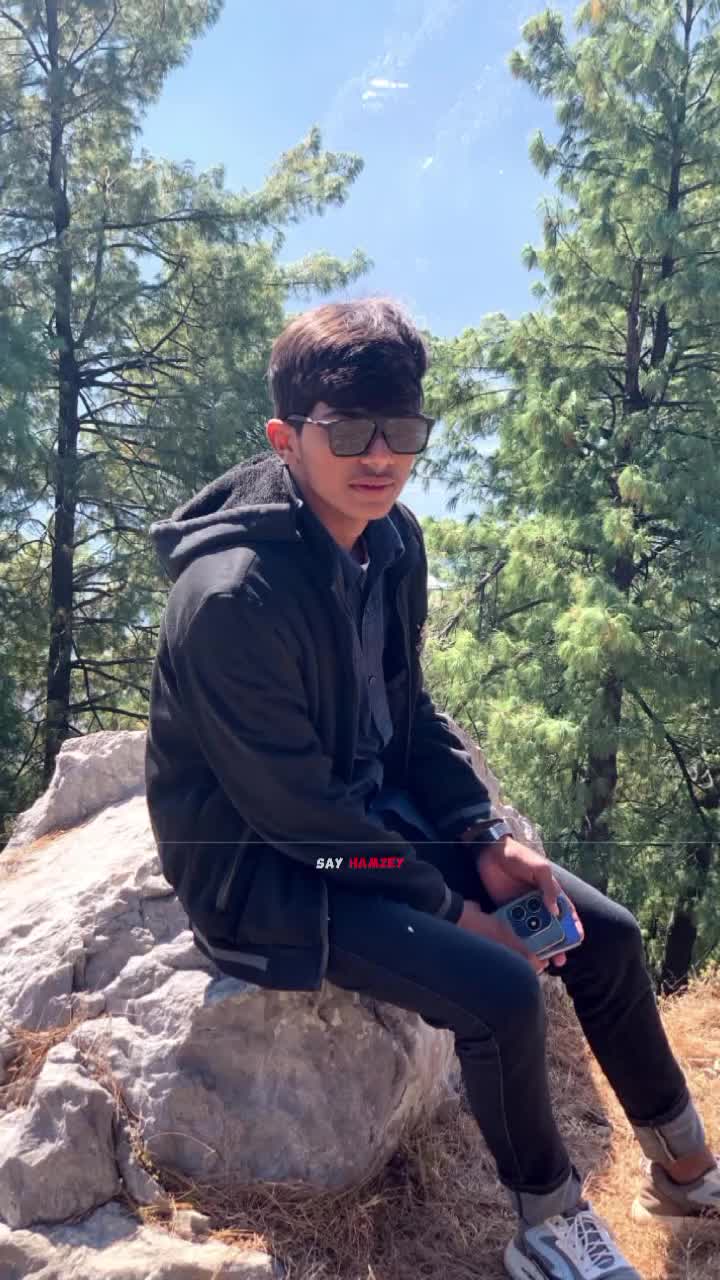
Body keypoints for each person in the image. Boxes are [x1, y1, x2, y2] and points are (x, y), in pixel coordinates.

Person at [145, 297, 719, 1280]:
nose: (379, 457)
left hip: (372, 819)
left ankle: (684, 1168)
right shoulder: (233, 598)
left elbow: (407, 712)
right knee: (501, 989)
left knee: (604, 935)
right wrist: (453, 909)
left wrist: (482, 832)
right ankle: (549, 1220)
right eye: (348, 432)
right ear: (286, 437)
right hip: (265, 869)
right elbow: (296, 816)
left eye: (401, 430)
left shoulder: (391, 540)